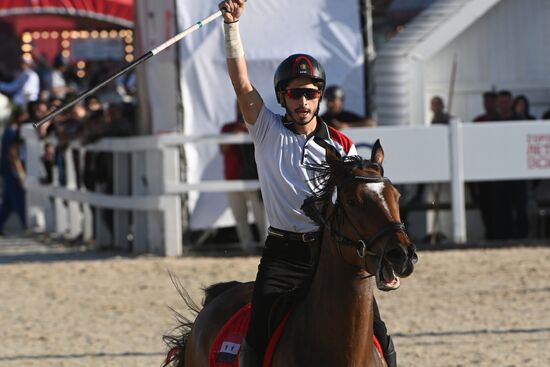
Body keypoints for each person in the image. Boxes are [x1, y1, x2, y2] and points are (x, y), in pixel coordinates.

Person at [218, 1, 396, 367]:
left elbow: (356, 199)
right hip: (283, 254)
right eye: (295, 93)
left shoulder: (341, 144)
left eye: (311, 93)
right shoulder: (266, 129)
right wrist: (232, 28)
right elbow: (240, 82)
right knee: (257, 337)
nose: (303, 100)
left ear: (319, 96)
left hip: (330, 252)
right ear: (282, 95)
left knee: (380, 333)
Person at [220, 103, 267, 252]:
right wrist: (236, 133)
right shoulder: (228, 128)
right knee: (240, 216)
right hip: (233, 178)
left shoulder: (256, 126)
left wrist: (248, 130)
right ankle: (248, 248)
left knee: (261, 216)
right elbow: (223, 149)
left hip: (252, 177)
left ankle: (266, 246)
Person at [0, 107, 28, 234]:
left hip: (9, 171)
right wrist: (20, 173)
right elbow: (13, 154)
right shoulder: (12, 131)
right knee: (19, 200)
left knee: (8, 203)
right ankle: (27, 226)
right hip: (13, 171)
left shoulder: (9, 130)